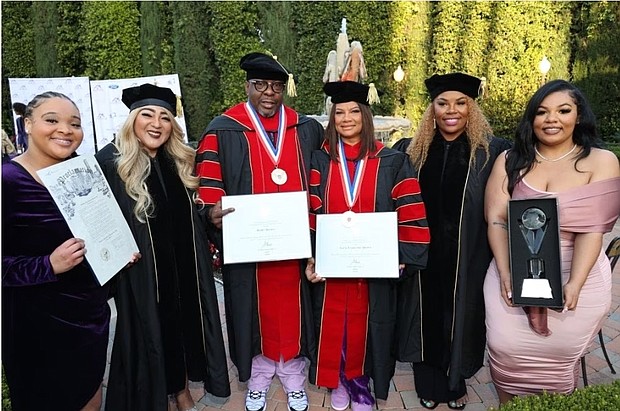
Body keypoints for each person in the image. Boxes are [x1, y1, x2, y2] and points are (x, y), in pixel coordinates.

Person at [195, 52, 325, 411]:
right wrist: (212, 211)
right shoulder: (223, 129)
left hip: (296, 246)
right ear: (247, 86)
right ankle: (260, 372)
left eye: (276, 86)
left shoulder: (306, 127)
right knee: (253, 309)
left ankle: (294, 372)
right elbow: (208, 185)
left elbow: (322, 180)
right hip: (249, 248)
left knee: (295, 308)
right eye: (260, 85)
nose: (269, 93)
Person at [483, 79, 620, 403]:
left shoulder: (601, 161)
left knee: (557, 365)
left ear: (578, 115)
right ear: (531, 119)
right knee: (504, 353)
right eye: (542, 112)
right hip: (512, 272)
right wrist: (506, 273)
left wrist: (573, 284)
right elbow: (497, 220)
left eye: (563, 110)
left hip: (579, 279)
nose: (552, 119)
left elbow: (592, 230)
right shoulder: (510, 160)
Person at [96, 83, 230, 411]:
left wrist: (208, 215)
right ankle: (157, 397)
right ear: (132, 121)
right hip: (141, 271)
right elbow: (97, 221)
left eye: (165, 117)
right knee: (151, 335)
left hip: (182, 265)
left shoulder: (178, 161)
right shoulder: (111, 162)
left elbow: (183, 214)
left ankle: (181, 390)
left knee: (184, 326)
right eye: (147, 115)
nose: (156, 123)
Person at [304, 81, 430, 411]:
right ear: (332, 118)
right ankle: (341, 379)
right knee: (335, 321)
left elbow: (410, 208)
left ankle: (359, 381)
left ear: (366, 116)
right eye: (339, 112)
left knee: (368, 321)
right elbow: (312, 210)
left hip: (373, 264)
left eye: (354, 111)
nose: (346, 118)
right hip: (334, 263)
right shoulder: (320, 160)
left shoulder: (392, 161)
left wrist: (403, 256)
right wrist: (313, 257)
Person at [392, 73, 512, 410]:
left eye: (461, 103)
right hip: (422, 257)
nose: (451, 110)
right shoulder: (411, 151)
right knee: (422, 317)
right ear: (432, 108)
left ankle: (456, 382)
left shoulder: (492, 153)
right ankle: (427, 384)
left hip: (468, 256)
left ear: (472, 108)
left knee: (462, 317)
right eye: (442, 103)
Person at [2, 92, 121, 410]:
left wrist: (119, 250)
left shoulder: (84, 172)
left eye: (75, 124)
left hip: (90, 317)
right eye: (51, 120)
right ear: (27, 124)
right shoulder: (7, 180)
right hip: (36, 326)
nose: (65, 130)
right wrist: (47, 265)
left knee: (91, 399)